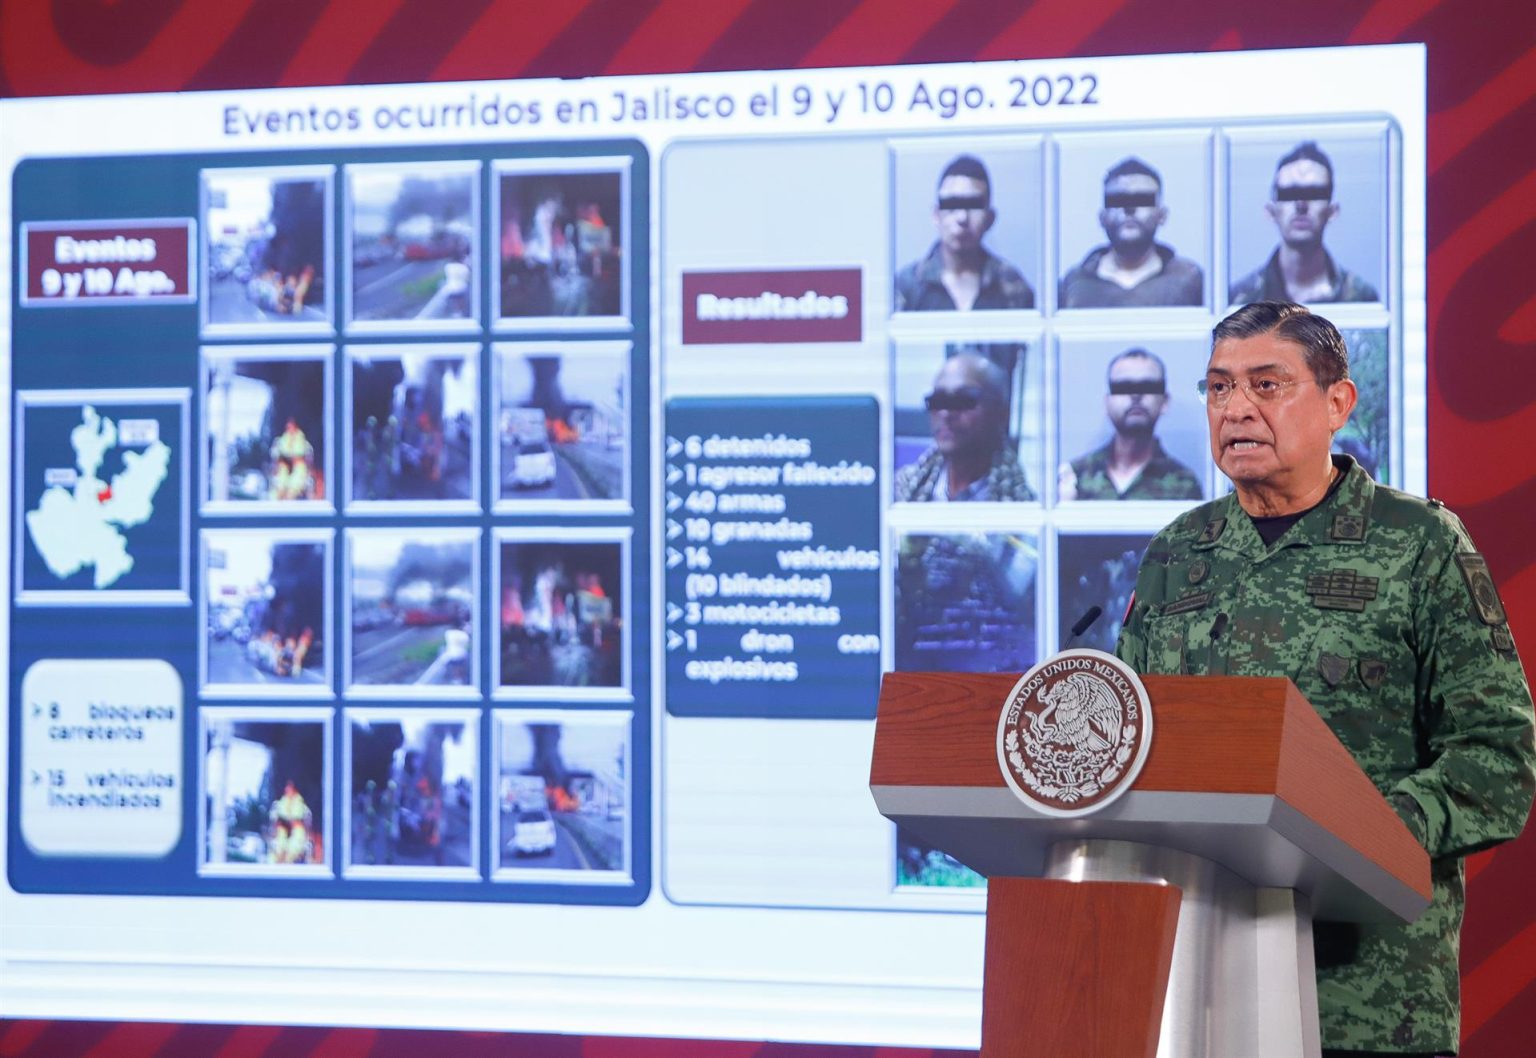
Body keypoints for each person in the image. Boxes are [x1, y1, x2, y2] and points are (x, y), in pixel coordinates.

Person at [1116, 301, 1534, 1056]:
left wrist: (1351, 832)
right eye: (1218, 388)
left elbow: (1498, 759)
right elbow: (1133, 744)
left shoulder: (1419, 544)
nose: (1236, 408)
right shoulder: (1179, 552)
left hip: (1368, 1004)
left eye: (1266, 385)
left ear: (1338, 402)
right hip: (1196, 992)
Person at [1230, 142, 1381, 305]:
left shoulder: (1361, 297)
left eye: (1314, 193)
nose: (1301, 204)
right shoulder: (1240, 300)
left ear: (1332, 211)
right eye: (1289, 194)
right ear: (1271, 211)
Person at [894, 154, 1035, 311]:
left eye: (973, 206)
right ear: (936, 215)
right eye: (952, 205)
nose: (962, 218)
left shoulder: (1012, 286)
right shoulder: (907, 287)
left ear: (990, 219)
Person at [1058, 157, 1204, 308]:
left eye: (1142, 200)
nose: (1129, 209)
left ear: (1162, 215)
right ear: (1102, 217)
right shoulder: (1075, 284)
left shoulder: (1189, 279)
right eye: (1117, 201)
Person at [1059, 348, 1203, 501]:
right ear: (1107, 402)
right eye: (1123, 387)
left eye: (1148, 387)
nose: (1136, 396)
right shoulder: (1075, 478)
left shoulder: (1185, 485)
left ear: (1165, 401)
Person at [894, 352, 1034, 502]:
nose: (946, 413)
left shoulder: (1020, 507)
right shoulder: (900, 491)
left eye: (963, 400)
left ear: (1001, 414)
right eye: (938, 401)